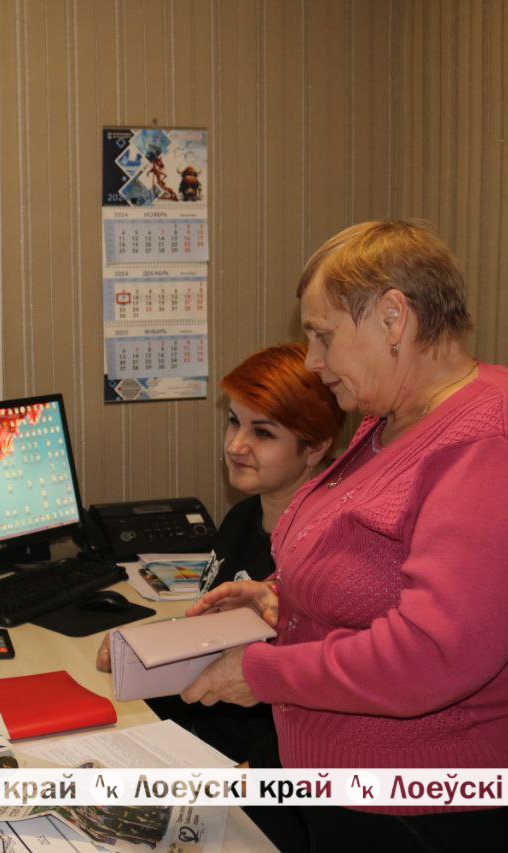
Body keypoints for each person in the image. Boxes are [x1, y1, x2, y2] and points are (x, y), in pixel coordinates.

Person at [186, 220, 508, 850]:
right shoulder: (395, 422)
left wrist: (264, 673)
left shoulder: (497, 445)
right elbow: (378, 566)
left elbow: (433, 654)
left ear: (393, 318)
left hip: (471, 810)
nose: (312, 361)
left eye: (322, 335)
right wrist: (282, 596)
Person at [96, 342, 342, 852]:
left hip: (263, 784)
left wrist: (256, 775)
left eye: (263, 433)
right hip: (195, 745)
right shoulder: (242, 519)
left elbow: (328, 700)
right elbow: (212, 642)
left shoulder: (329, 551)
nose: (236, 445)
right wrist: (144, 654)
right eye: (234, 422)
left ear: (316, 447)